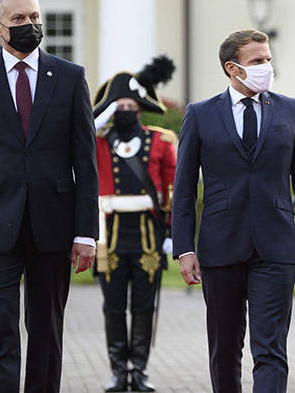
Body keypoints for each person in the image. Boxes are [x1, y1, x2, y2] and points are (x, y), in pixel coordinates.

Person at [0, 0, 99, 393]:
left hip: (54, 224)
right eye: (19, 19)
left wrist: (86, 233)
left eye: (34, 17)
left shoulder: (70, 78)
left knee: (47, 329)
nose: (30, 25)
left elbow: (85, 163)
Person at [171, 28, 295, 393]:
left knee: (270, 348)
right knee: (224, 349)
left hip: (275, 247)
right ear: (232, 68)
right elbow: (184, 187)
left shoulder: (289, 109)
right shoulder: (201, 114)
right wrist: (184, 247)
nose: (266, 67)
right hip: (220, 246)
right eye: (257, 61)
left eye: (268, 59)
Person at [91, 56, 177, 392]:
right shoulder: (98, 140)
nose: (125, 110)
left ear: (140, 108)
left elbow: (172, 189)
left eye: (130, 105)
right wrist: (104, 115)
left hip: (147, 233)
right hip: (108, 235)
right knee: (113, 305)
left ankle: (139, 369)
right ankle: (117, 369)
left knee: (144, 304)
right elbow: (76, 134)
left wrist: (171, 233)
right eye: (119, 105)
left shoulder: (160, 141)